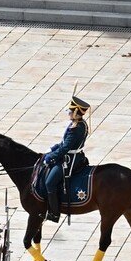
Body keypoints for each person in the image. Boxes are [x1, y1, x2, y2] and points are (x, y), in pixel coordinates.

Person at [43, 95, 90, 223]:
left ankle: (54, 213)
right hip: (72, 154)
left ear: (76, 113)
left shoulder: (77, 128)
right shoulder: (78, 124)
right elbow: (64, 143)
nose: (69, 113)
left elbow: (65, 148)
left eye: (71, 111)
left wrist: (51, 156)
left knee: (50, 183)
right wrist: (52, 148)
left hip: (70, 159)